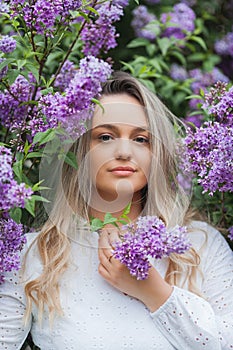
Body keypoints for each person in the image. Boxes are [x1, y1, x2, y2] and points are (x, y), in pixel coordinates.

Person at [0, 72, 233, 350]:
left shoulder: (199, 245)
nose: (124, 151)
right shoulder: (33, 255)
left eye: (141, 139)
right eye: (106, 136)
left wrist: (155, 292)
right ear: (78, 149)